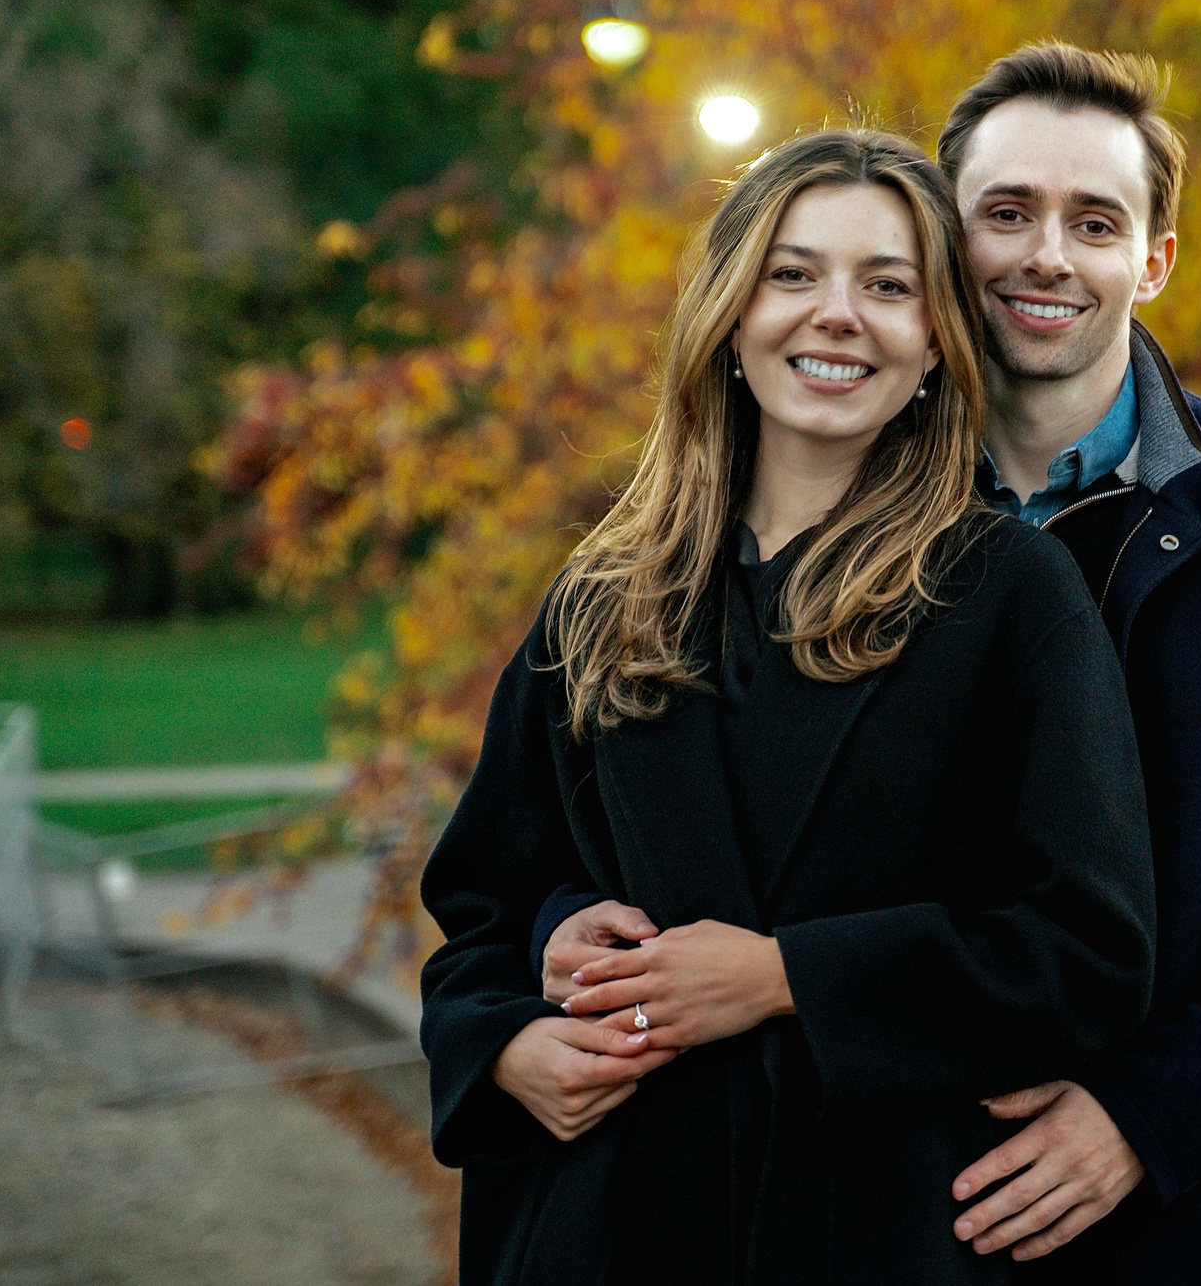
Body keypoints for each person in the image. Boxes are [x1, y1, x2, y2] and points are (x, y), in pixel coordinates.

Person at [538, 46, 1201, 1283]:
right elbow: (641, 792)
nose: (1046, 256)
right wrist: (566, 927)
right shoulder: (818, 501)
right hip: (860, 1203)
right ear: (943, 239)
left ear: (1154, 261)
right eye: (1006, 212)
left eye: (1095, 221)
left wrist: (1148, 1115)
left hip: (1169, 1225)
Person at [419, 128, 1158, 1286]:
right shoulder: (606, 595)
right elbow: (482, 908)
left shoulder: (1004, 597)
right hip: (614, 1223)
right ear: (729, 318)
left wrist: (784, 978)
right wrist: (507, 1042)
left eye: (889, 286)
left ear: (933, 348)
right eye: (793, 272)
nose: (836, 315)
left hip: (875, 1226)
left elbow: (1085, 952)